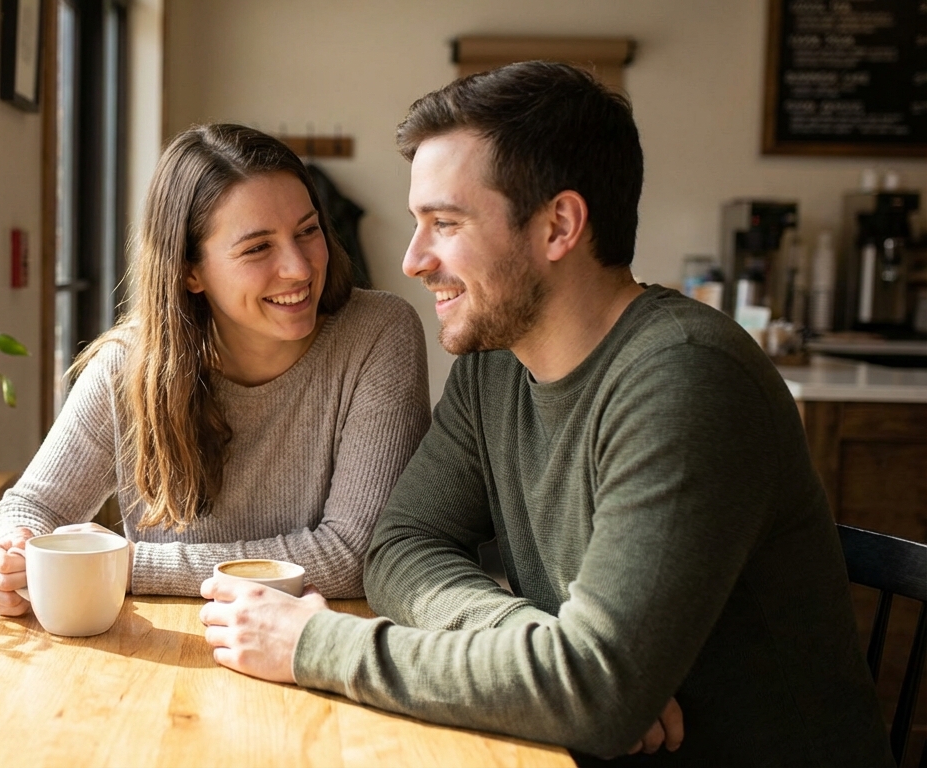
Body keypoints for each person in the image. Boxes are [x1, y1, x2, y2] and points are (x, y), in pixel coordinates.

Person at [197, 62, 892, 765]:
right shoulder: (495, 364)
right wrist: (524, 640)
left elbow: (594, 696)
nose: (412, 260)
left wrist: (313, 645)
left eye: (445, 223)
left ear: (558, 225)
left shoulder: (686, 378)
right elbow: (400, 545)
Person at [0, 124, 430, 612]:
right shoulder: (128, 367)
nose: (299, 268)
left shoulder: (379, 333)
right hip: (163, 658)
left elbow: (354, 554)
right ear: (189, 271)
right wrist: (13, 553)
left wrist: (128, 567)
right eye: (258, 248)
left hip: (316, 650)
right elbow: (33, 505)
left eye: (308, 230)